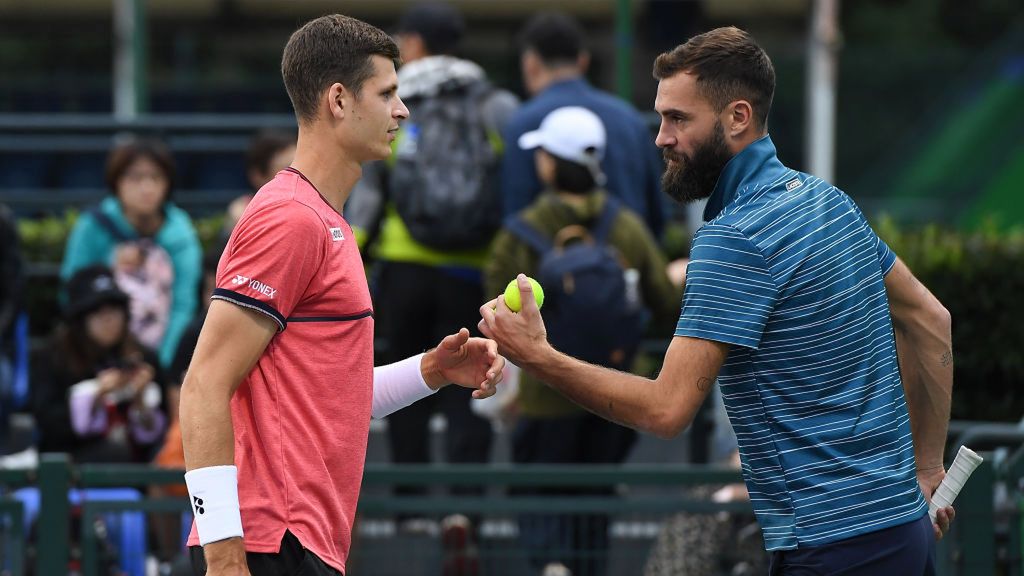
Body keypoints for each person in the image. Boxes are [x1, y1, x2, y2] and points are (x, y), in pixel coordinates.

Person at [480, 26, 956, 575]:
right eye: (661, 117)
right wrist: (926, 470)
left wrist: (538, 356)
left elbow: (666, 410)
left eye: (678, 119)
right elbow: (931, 319)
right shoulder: (828, 200)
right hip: (901, 530)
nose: (660, 137)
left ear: (737, 117)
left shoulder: (733, 237)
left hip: (829, 547)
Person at [178, 14, 504, 576]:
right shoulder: (291, 219)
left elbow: (328, 397)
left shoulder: (325, 221)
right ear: (337, 99)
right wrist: (225, 555)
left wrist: (433, 370)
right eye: (387, 93)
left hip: (295, 544)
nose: (402, 111)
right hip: (263, 546)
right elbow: (204, 383)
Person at [485, 106, 681, 576]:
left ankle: (552, 564)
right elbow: (665, 304)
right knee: (596, 496)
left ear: (551, 164)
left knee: (538, 492)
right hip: (614, 392)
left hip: (543, 393)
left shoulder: (522, 231)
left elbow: (493, 309)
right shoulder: (626, 226)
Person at [346, 0, 518, 529]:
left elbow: (372, 190)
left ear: (414, 44)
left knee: (408, 379)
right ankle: (464, 508)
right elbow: (511, 188)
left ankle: (412, 508)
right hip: (471, 267)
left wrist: (353, 246)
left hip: (405, 266)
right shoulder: (495, 104)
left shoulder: (397, 102)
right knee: (471, 374)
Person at [501, 11, 667, 238]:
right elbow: (656, 215)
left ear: (530, 64)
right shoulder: (630, 119)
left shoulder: (522, 123)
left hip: (545, 268)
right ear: (583, 60)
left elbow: (515, 214)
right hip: (626, 264)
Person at [61, 138, 202, 368]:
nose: (147, 188)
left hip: (163, 361)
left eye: (156, 178)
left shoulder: (181, 234)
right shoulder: (93, 226)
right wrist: (110, 265)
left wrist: (161, 366)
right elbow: (71, 292)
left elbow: (183, 307)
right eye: (135, 178)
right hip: (96, 359)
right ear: (116, 182)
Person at [32, 265, 167, 463]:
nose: (109, 320)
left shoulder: (143, 358)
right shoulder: (53, 358)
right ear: (79, 320)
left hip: (136, 467)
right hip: (74, 467)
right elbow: (50, 427)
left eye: (114, 310)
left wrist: (140, 400)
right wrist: (96, 397)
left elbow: (161, 429)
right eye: (97, 312)